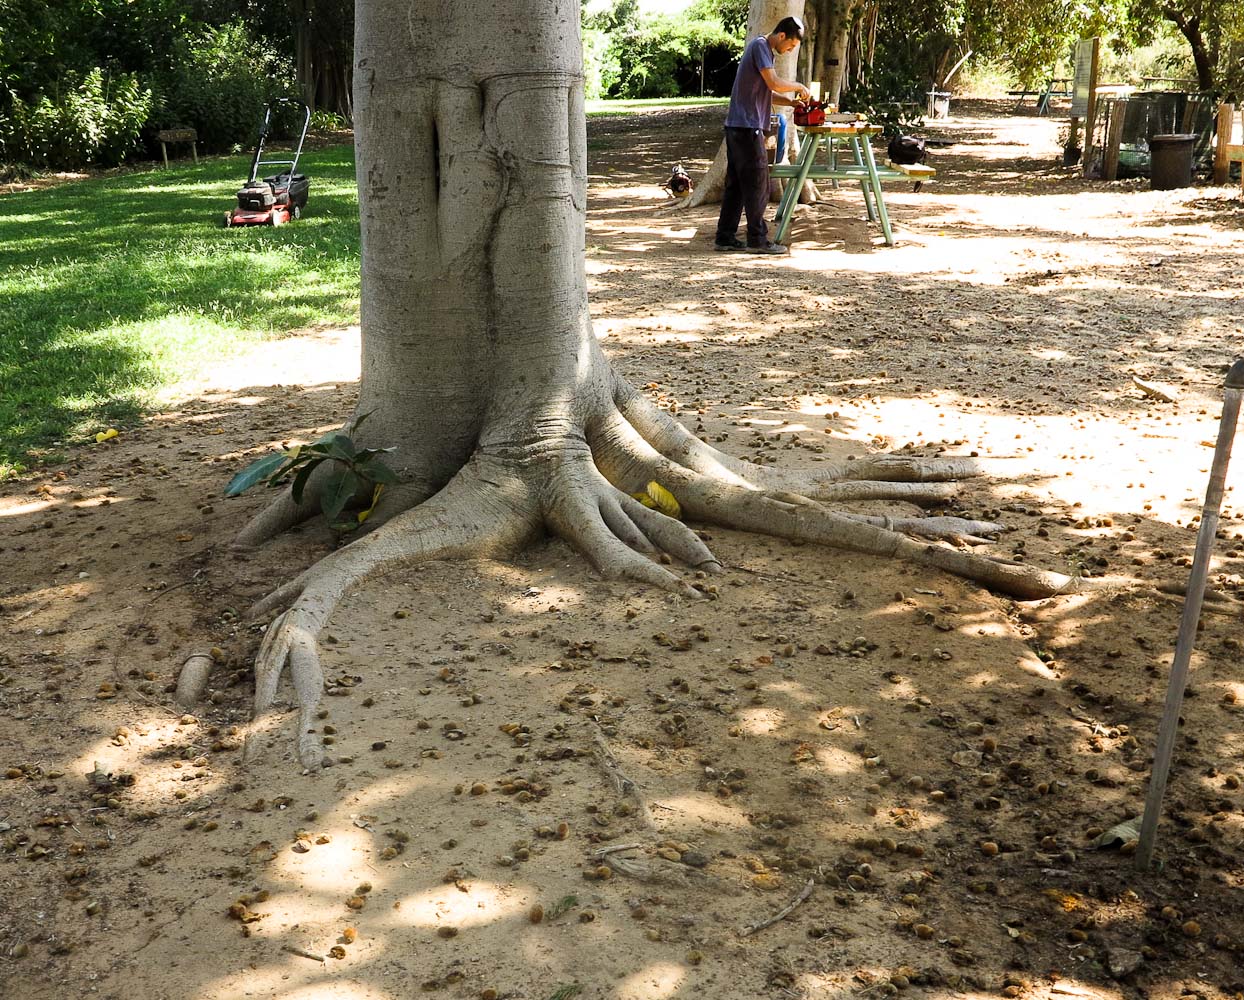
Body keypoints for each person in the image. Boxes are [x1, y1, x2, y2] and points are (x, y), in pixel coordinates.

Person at [714, 16, 810, 255]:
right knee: (758, 184)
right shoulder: (760, 46)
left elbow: (766, 91)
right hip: (747, 128)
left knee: (736, 184)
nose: (789, 50)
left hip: (737, 126)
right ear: (781, 36)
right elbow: (774, 82)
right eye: (790, 45)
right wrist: (798, 86)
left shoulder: (764, 51)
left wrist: (789, 102)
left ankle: (725, 237)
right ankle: (757, 239)